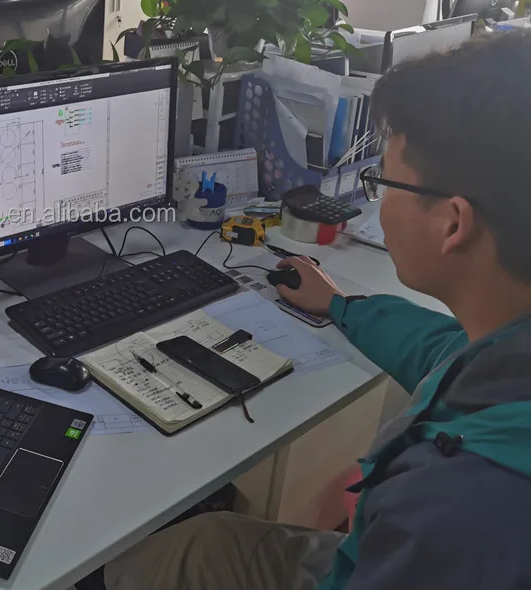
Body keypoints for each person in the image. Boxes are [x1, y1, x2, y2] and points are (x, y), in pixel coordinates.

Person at [103, 31, 531, 590]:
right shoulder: (507, 350)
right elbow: (446, 351)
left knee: (148, 564)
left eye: (383, 182)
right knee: (204, 541)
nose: (377, 201)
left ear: (453, 224)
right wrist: (339, 305)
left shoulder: (455, 504)